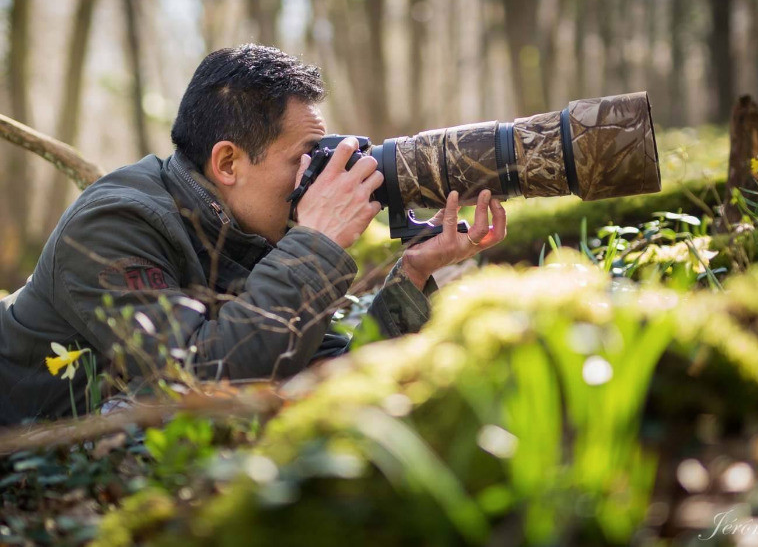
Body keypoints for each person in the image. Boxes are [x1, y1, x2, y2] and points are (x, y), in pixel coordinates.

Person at [0, 45, 506, 424]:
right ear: (227, 162)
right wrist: (316, 245)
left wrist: (414, 273)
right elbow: (200, 379)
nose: (315, 176)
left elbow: (326, 377)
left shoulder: (247, 227)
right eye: (302, 159)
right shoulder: (113, 224)